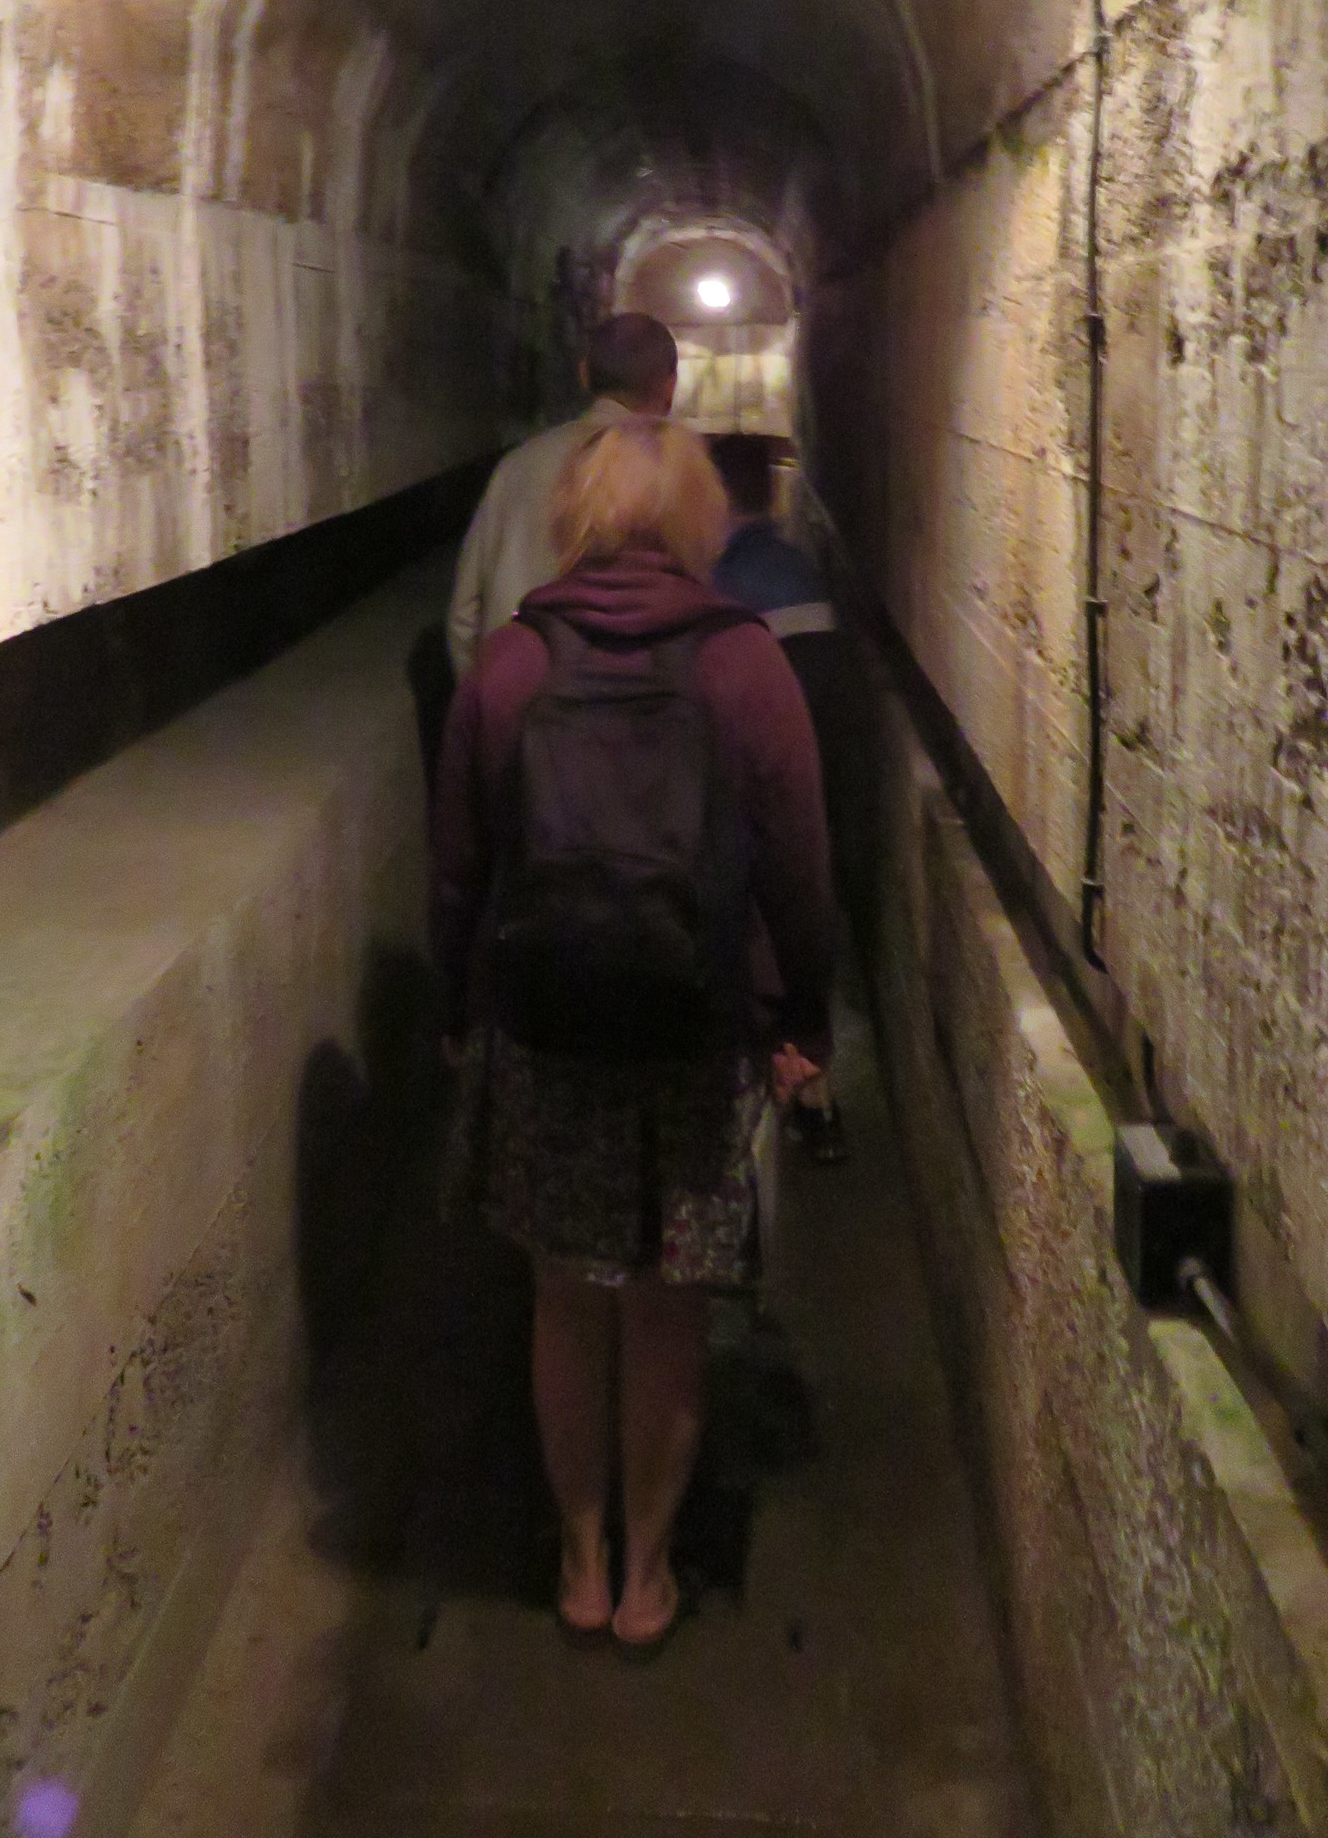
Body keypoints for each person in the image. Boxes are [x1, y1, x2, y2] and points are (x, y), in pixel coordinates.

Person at [431, 419, 834, 1655]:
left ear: (576, 518)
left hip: (547, 1032)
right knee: (667, 1308)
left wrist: (458, 1010)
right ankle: (651, 1575)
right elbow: (801, 866)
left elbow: (459, 868)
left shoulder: (511, 665)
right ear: (699, 522)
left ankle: (581, 1560)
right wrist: (804, 1022)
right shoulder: (745, 665)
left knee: (565, 1299)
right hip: (695, 1036)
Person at [708, 433, 850, 1164]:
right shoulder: (804, 574)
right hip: (811, 775)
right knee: (805, 919)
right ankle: (817, 1100)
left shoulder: (717, 589)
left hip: (741, 802)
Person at [447, 312, 679, 679]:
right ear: (670, 385)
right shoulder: (678, 476)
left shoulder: (518, 464)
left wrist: (485, 695)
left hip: (517, 686)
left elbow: (465, 615)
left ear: (584, 374)